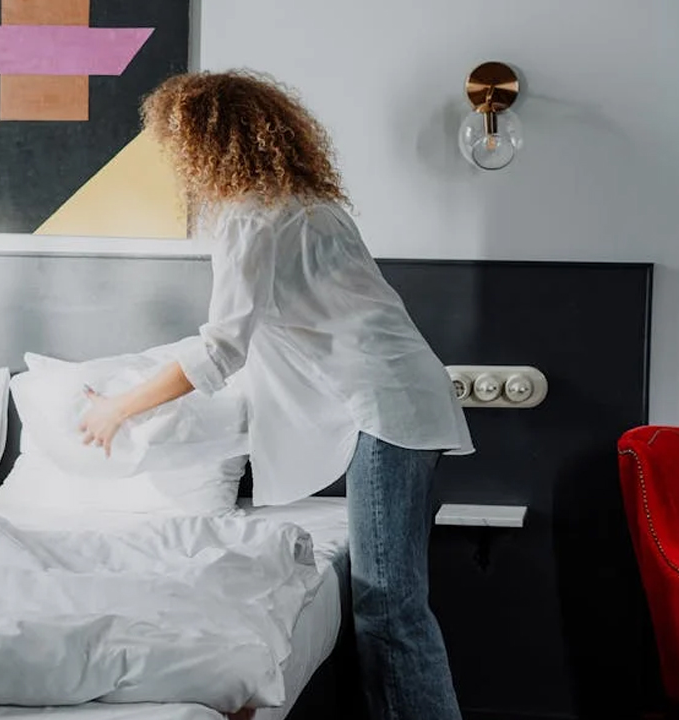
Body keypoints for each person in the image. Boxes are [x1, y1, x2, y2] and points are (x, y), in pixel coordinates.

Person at [77, 70, 474, 720]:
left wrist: (118, 407)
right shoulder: (308, 205)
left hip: (385, 409)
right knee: (394, 604)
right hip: (404, 400)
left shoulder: (251, 219)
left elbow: (220, 350)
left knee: (389, 608)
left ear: (205, 144)